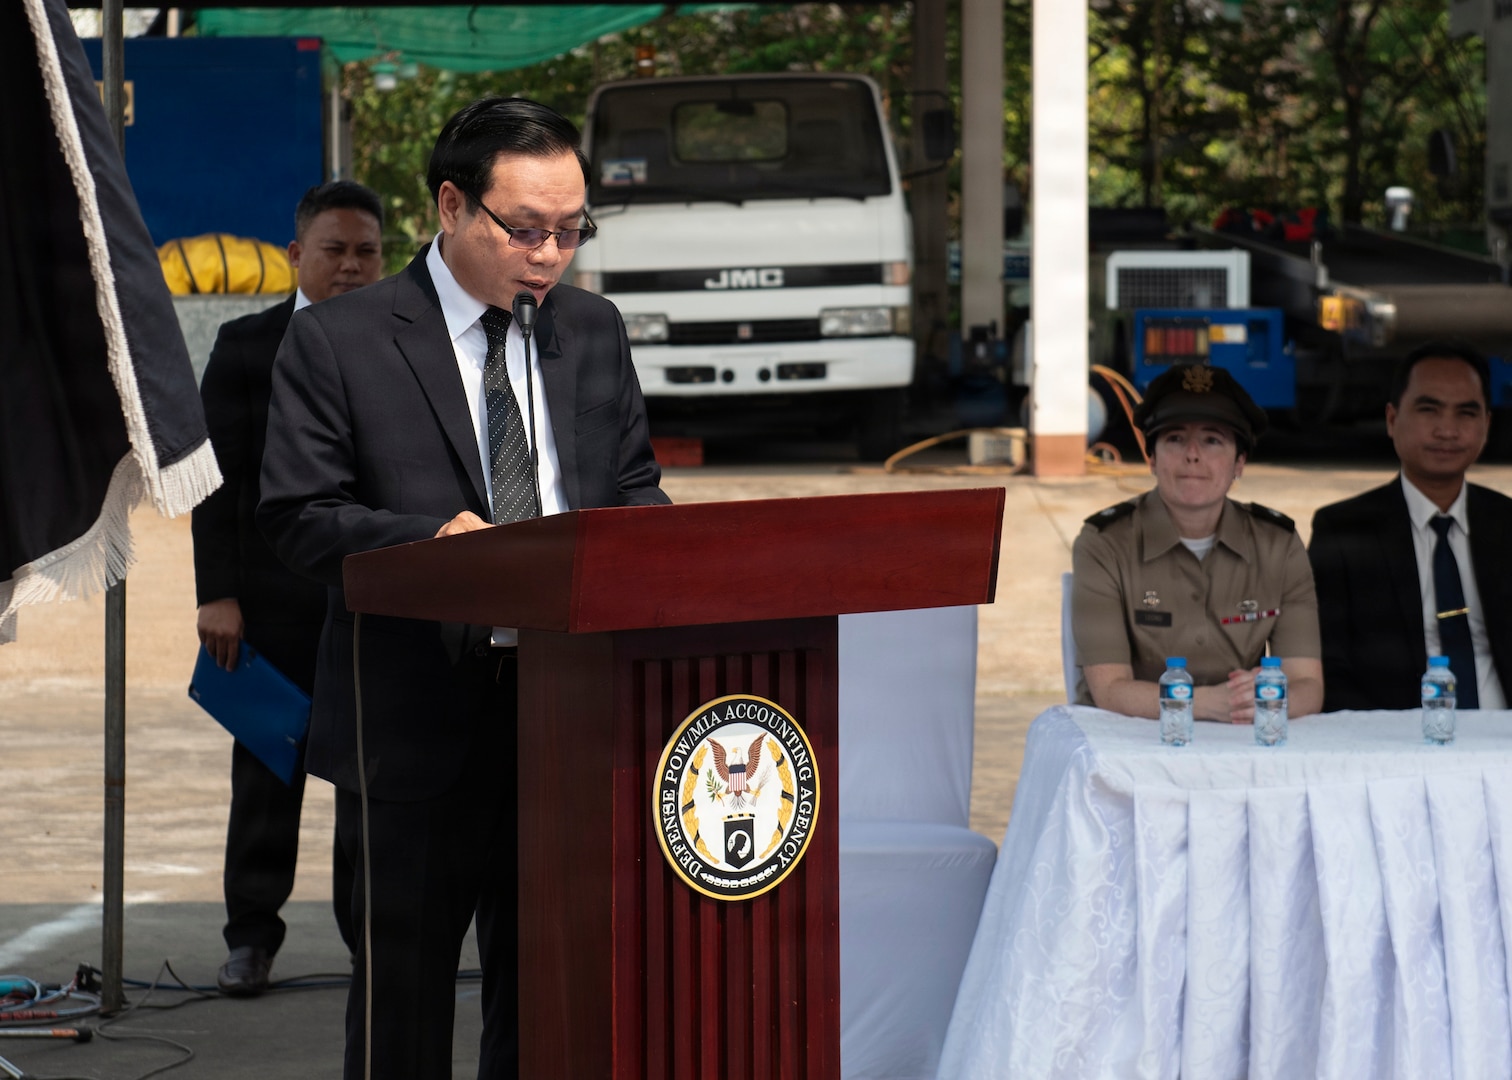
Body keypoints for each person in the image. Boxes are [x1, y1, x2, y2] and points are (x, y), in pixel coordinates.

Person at [256, 98, 668, 1079]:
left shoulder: (593, 330)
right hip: (414, 721)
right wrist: (434, 542)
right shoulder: (343, 340)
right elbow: (297, 516)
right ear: (451, 205)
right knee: (404, 1003)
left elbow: (634, 487)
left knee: (550, 995)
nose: (551, 254)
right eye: (525, 229)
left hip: (570, 718)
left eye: (571, 230)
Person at [192, 180, 384, 995]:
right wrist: (217, 594)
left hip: (375, 605)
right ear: (297, 254)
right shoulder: (245, 347)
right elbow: (215, 483)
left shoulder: (408, 348)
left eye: (366, 252)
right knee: (266, 780)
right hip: (267, 606)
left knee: (366, 786)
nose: (350, 266)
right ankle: (250, 939)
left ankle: (370, 942)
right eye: (334, 250)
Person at [1071, 363, 1324, 722]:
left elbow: (1307, 685)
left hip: (1243, 738)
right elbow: (1110, 689)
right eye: (1174, 438)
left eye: (1212, 440)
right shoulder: (1105, 544)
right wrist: (1202, 704)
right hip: (1132, 744)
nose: (1193, 454)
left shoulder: (1277, 545)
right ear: (1152, 458)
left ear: (1239, 463)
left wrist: (1264, 701)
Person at [1309, 343, 1512, 711]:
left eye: (1466, 413)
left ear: (1486, 425)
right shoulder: (1342, 530)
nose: (1447, 430)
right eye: (1429, 410)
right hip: (1395, 741)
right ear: (1391, 419)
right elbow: (1328, 664)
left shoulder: (1507, 524)